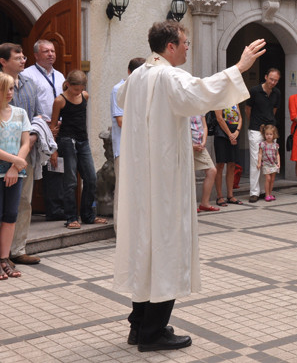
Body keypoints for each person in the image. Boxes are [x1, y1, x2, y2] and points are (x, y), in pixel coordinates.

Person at [113, 20, 265, 352]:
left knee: (146, 247)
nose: (186, 47)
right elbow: (201, 94)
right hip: (164, 179)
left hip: (142, 178)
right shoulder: (168, 76)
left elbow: (123, 96)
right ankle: (153, 334)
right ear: (170, 46)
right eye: (184, 42)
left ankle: (139, 325)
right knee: (167, 246)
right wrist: (240, 66)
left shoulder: (138, 74)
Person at [49, 70, 108, 230]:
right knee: (71, 181)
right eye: (76, 89)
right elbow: (53, 125)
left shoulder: (85, 96)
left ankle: (88, 215)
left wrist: (81, 92)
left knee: (91, 178)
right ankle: (71, 218)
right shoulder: (59, 100)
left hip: (83, 140)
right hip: (66, 141)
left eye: (81, 89)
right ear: (68, 84)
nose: (78, 92)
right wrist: (53, 149)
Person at [0, 43, 41, 268]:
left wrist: (31, 140)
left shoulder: (30, 84)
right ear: (3, 61)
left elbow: (35, 116)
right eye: (18, 57)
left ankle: (17, 250)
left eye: (24, 56)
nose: (23, 60)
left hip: (24, 155)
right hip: (4, 159)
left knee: (22, 202)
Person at [20, 39, 64, 226]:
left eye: (52, 51)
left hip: (59, 127)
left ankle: (55, 210)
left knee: (56, 168)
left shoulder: (60, 75)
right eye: (46, 51)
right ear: (36, 55)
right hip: (37, 128)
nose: (51, 54)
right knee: (35, 167)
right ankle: (29, 210)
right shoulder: (27, 75)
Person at [0, 73, 31, 280]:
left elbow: (26, 143)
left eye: (12, 89)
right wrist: (16, 161)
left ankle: (4, 259)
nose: (10, 93)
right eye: (6, 89)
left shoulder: (20, 113)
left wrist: (15, 167)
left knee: (10, 216)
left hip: (15, 172)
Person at [112, 57, 145, 232]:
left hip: (140, 148)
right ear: (129, 72)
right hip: (124, 149)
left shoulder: (142, 91)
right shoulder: (119, 89)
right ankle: (120, 230)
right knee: (123, 190)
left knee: (138, 190)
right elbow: (121, 121)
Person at [245, 68, 281, 203]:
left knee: (268, 160)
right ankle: (254, 192)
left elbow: (274, 111)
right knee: (256, 161)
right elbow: (248, 109)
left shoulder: (277, 92)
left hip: (270, 130)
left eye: (276, 80)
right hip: (255, 129)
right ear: (266, 77)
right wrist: (255, 123)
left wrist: (269, 127)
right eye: (271, 79)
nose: (273, 82)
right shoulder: (254, 91)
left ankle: (263, 191)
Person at [213, 103, 243, 206]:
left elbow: (240, 118)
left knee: (232, 164)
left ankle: (230, 195)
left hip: (235, 134)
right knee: (220, 164)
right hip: (222, 135)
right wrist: (230, 134)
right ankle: (219, 196)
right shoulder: (219, 98)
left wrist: (237, 132)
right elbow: (219, 118)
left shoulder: (235, 100)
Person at [191, 115, 219, 213]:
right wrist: (191, 145)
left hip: (200, 146)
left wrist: (204, 142)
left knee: (212, 170)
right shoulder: (185, 107)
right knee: (189, 175)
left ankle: (204, 203)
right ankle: (190, 205)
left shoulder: (200, 108)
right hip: (187, 146)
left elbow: (205, 126)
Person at [258, 124, 280, 201]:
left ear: (274, 135)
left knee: (272, 179)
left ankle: (270, 194)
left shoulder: (275, 145)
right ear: (264, 135)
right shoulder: (263, 144)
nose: (269, 136)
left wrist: (278, 163)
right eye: (267, 134)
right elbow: (260, 154)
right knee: (268, 179)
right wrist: (259, 162)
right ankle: (266, 194)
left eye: (270, 134)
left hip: (273, 164)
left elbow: (277, 154)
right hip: (266, 164)